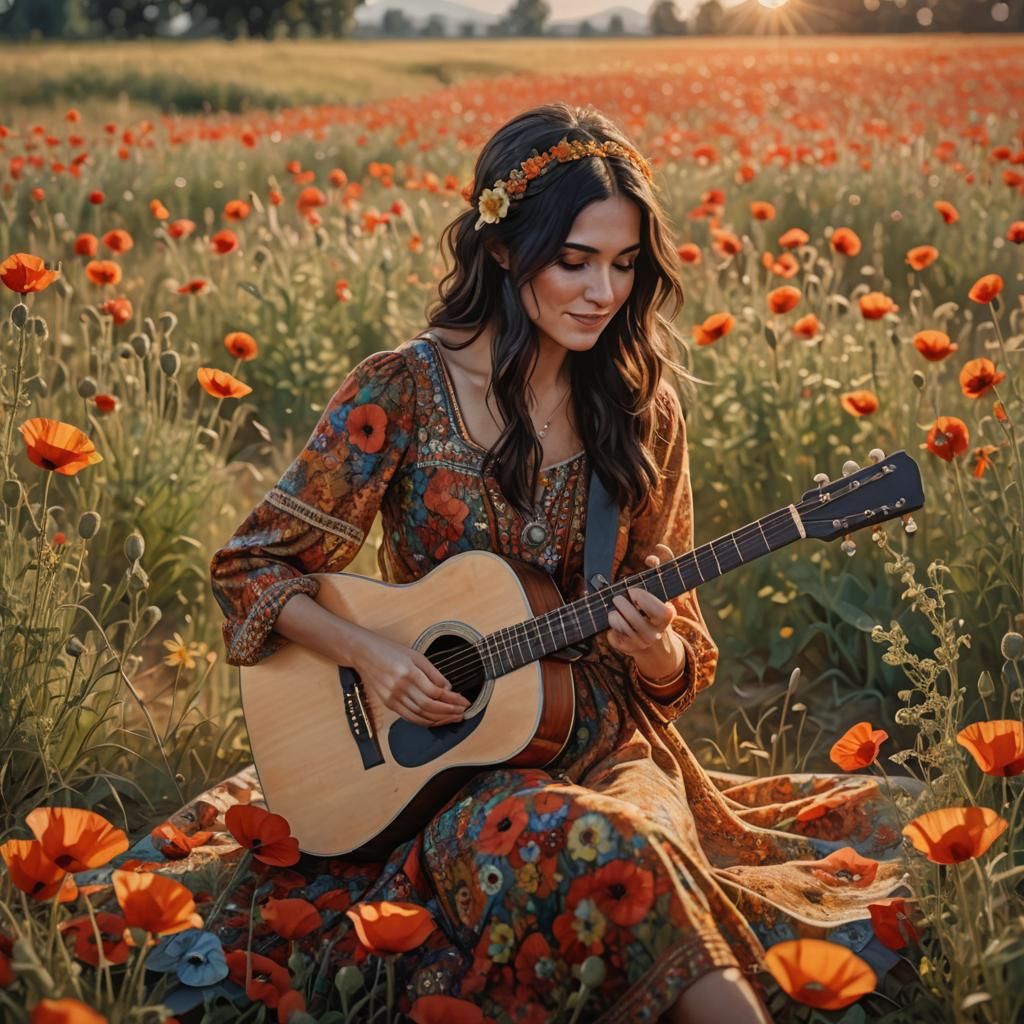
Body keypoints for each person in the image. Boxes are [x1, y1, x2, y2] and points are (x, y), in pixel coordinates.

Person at [198, 103, 913, 1023]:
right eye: (574, 260)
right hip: (442, 779)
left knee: (637, 846)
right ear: (503, 250)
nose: (602, 292)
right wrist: (373, 655)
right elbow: (253, 567)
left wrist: (654, 651)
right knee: (585, 849)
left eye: (624, 265)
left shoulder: (640, 406)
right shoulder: (402, 390)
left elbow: (679, 659)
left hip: (608, 746)